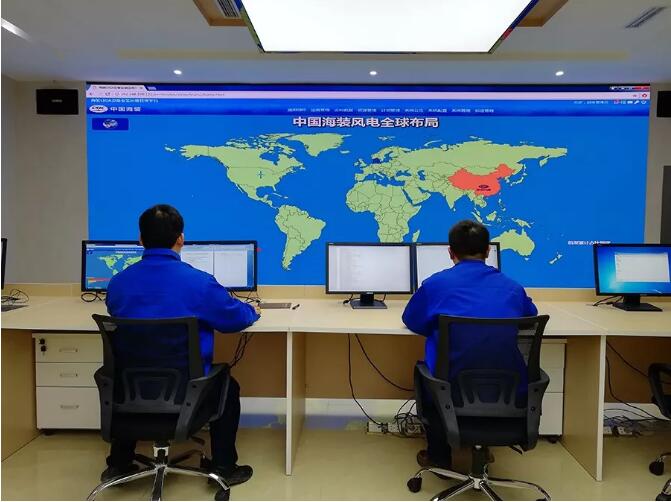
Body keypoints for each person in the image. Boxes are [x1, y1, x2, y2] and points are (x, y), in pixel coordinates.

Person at [102, 204, 260, 487]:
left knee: (130, 369)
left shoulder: (117, 284)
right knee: (227, 383)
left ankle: (119, 463)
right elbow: (233, 320)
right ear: (181, 239)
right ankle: (224, 467)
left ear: (140, 239)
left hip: (131, 388)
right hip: (186, 390)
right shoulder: (199, 283)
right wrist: (253, 310)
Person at [402, 220, 538, 470]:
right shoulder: (512, 288)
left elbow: (412, 320)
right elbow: (529, 316)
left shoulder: (435, 285)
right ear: (487, 251)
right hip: (507, 391)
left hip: (449, 391)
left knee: (425, 373)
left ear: (450, 252)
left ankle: (439, 458)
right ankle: (482, 449)